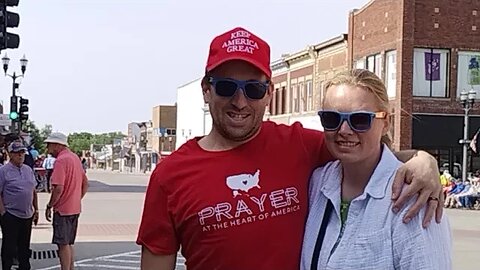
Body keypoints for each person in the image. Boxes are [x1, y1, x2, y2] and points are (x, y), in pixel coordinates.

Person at [137, 27, 443, 270]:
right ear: (207, 90)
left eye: (254, 89)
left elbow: (363, 151)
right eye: (227, 87)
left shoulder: (298, 144)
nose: (240, 102)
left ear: (269, 93)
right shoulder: (170, 175)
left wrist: (423, 160)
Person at [301, 69, 451, 270]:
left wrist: (423, 158)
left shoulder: (415, 195)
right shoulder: (318, 182)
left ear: (386, 122)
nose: (344, 130)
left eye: (360, 120)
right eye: (331, 118)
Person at [44, 132, 89, 270]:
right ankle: (70, 267)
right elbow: (85, 183)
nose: (47, 147)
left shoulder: (61, 160)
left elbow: (58, 188)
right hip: (75, 207)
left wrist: (50, 205)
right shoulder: (74, 158)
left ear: (58, 145)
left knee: (62, 245)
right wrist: (76, 197)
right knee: (68, 243)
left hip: (63, 209)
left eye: (49, 144)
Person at [0, 141, 39, 270]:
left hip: (27, 214)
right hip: (11, 214)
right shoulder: (3, 171)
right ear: (10, 154)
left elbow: (33, 190)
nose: (20, 155)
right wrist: (3, 213)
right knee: (9, 247)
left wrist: (36, 210)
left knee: (24, 247)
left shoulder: (28, 170)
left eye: (22, 152)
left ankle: (24, 267)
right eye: (17, 153)